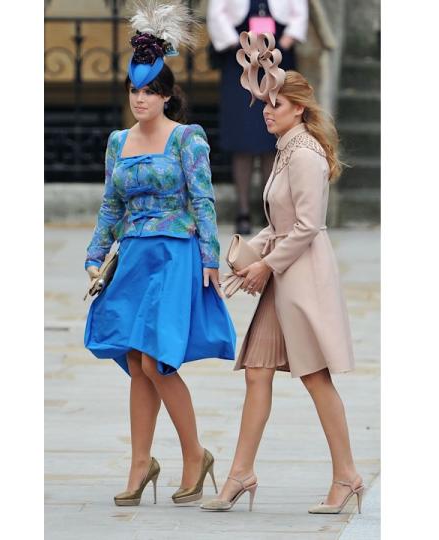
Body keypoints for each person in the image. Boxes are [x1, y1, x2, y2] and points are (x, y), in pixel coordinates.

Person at [200, 33, 364, 514]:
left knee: (315, 378)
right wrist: (255, 258)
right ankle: (240, 474)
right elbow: (282, 223)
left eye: (276, 103)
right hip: (281, 278)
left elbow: (310, 226)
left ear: (298, 108)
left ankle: (348, 476)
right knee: (256, 373)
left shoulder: (305, 153)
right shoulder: (285, 150)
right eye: (265, 102)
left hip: (302, 281)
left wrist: (265, 265)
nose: (266, 110)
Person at [84, 1, 236, 507]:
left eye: (150, 90)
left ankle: (195, 455)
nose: (141, 98)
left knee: (156, 360)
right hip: (134, 258)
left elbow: (204, 201)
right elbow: (111, 205)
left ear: (167, 96)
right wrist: (95, 255)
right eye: (134, 89)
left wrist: (210, 260)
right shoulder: (117, 143)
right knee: (133, 355)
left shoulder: (187, 139)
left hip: (176, 255)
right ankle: (140, 462)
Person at [207, 0, 308, 234]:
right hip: (240, 60)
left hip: (279, 58)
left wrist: (284, 43)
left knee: (273, 138)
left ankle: (271, 210)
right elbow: (217, 13)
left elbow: (299, 13)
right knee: (242, 135)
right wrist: (237, 45)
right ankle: (242, 210)